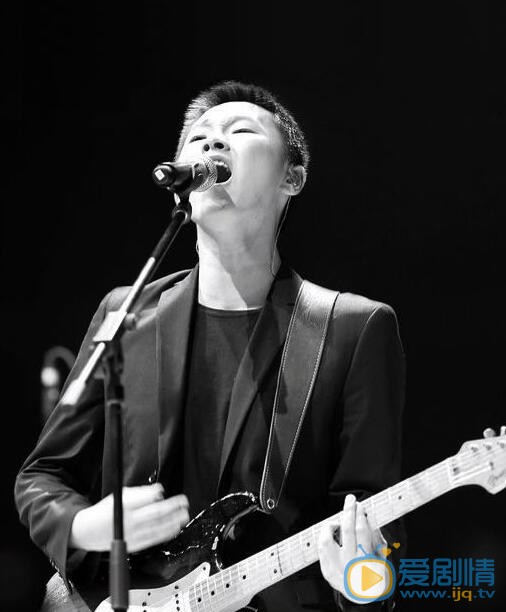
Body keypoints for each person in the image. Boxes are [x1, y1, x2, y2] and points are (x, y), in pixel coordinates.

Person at [15, 81, 406, 611]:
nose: (213, 142)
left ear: (291, 178)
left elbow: (373, 522)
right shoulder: (126, 315)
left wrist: (362, 581)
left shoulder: (353, 329)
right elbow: (43, 475)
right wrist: (84, 526)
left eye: (240, 131)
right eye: (199, 137)